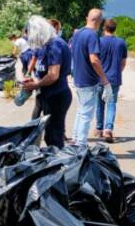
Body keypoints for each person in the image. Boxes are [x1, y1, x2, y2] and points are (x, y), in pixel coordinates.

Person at [22, 16, 72, 148]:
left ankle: (58, 164)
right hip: (49, 96)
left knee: (54, 136)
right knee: (50, 134)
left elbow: (53, 75)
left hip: (57, 96)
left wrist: (36, 85)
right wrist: (33, 79)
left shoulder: (55, 45)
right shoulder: (45, 46)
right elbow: (42, 70)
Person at [71, 9, 111, 146]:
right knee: (86, 115)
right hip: (88, 80)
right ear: (100, 21)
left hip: (78, 78)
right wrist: (105, 81)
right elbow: (94, 59)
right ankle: (80, 145)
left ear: (87, 17)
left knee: (80, 111)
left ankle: (75, 139)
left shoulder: (78, 33)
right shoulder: (92, 35)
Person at [94, 18, 127, 143]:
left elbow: (94, 60)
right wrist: (118, 72)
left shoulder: (99, 41)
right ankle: (108, 129)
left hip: (99, 77)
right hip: (114, 78)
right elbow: (123, 62)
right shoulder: (121, 43)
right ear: (115, 29)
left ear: (104, 28)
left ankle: (99, 128)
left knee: (100, 103)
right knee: (112, 104)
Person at [30, 19, 65, 120]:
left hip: (40, 78)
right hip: (48, 81)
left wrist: (30, 74)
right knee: (48, 109)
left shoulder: (39, 43)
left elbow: (33, 61)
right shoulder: (55, 44)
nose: (59, 31)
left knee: (38, 105)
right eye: (58, 29)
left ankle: (32, 130)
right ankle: (50, 131)